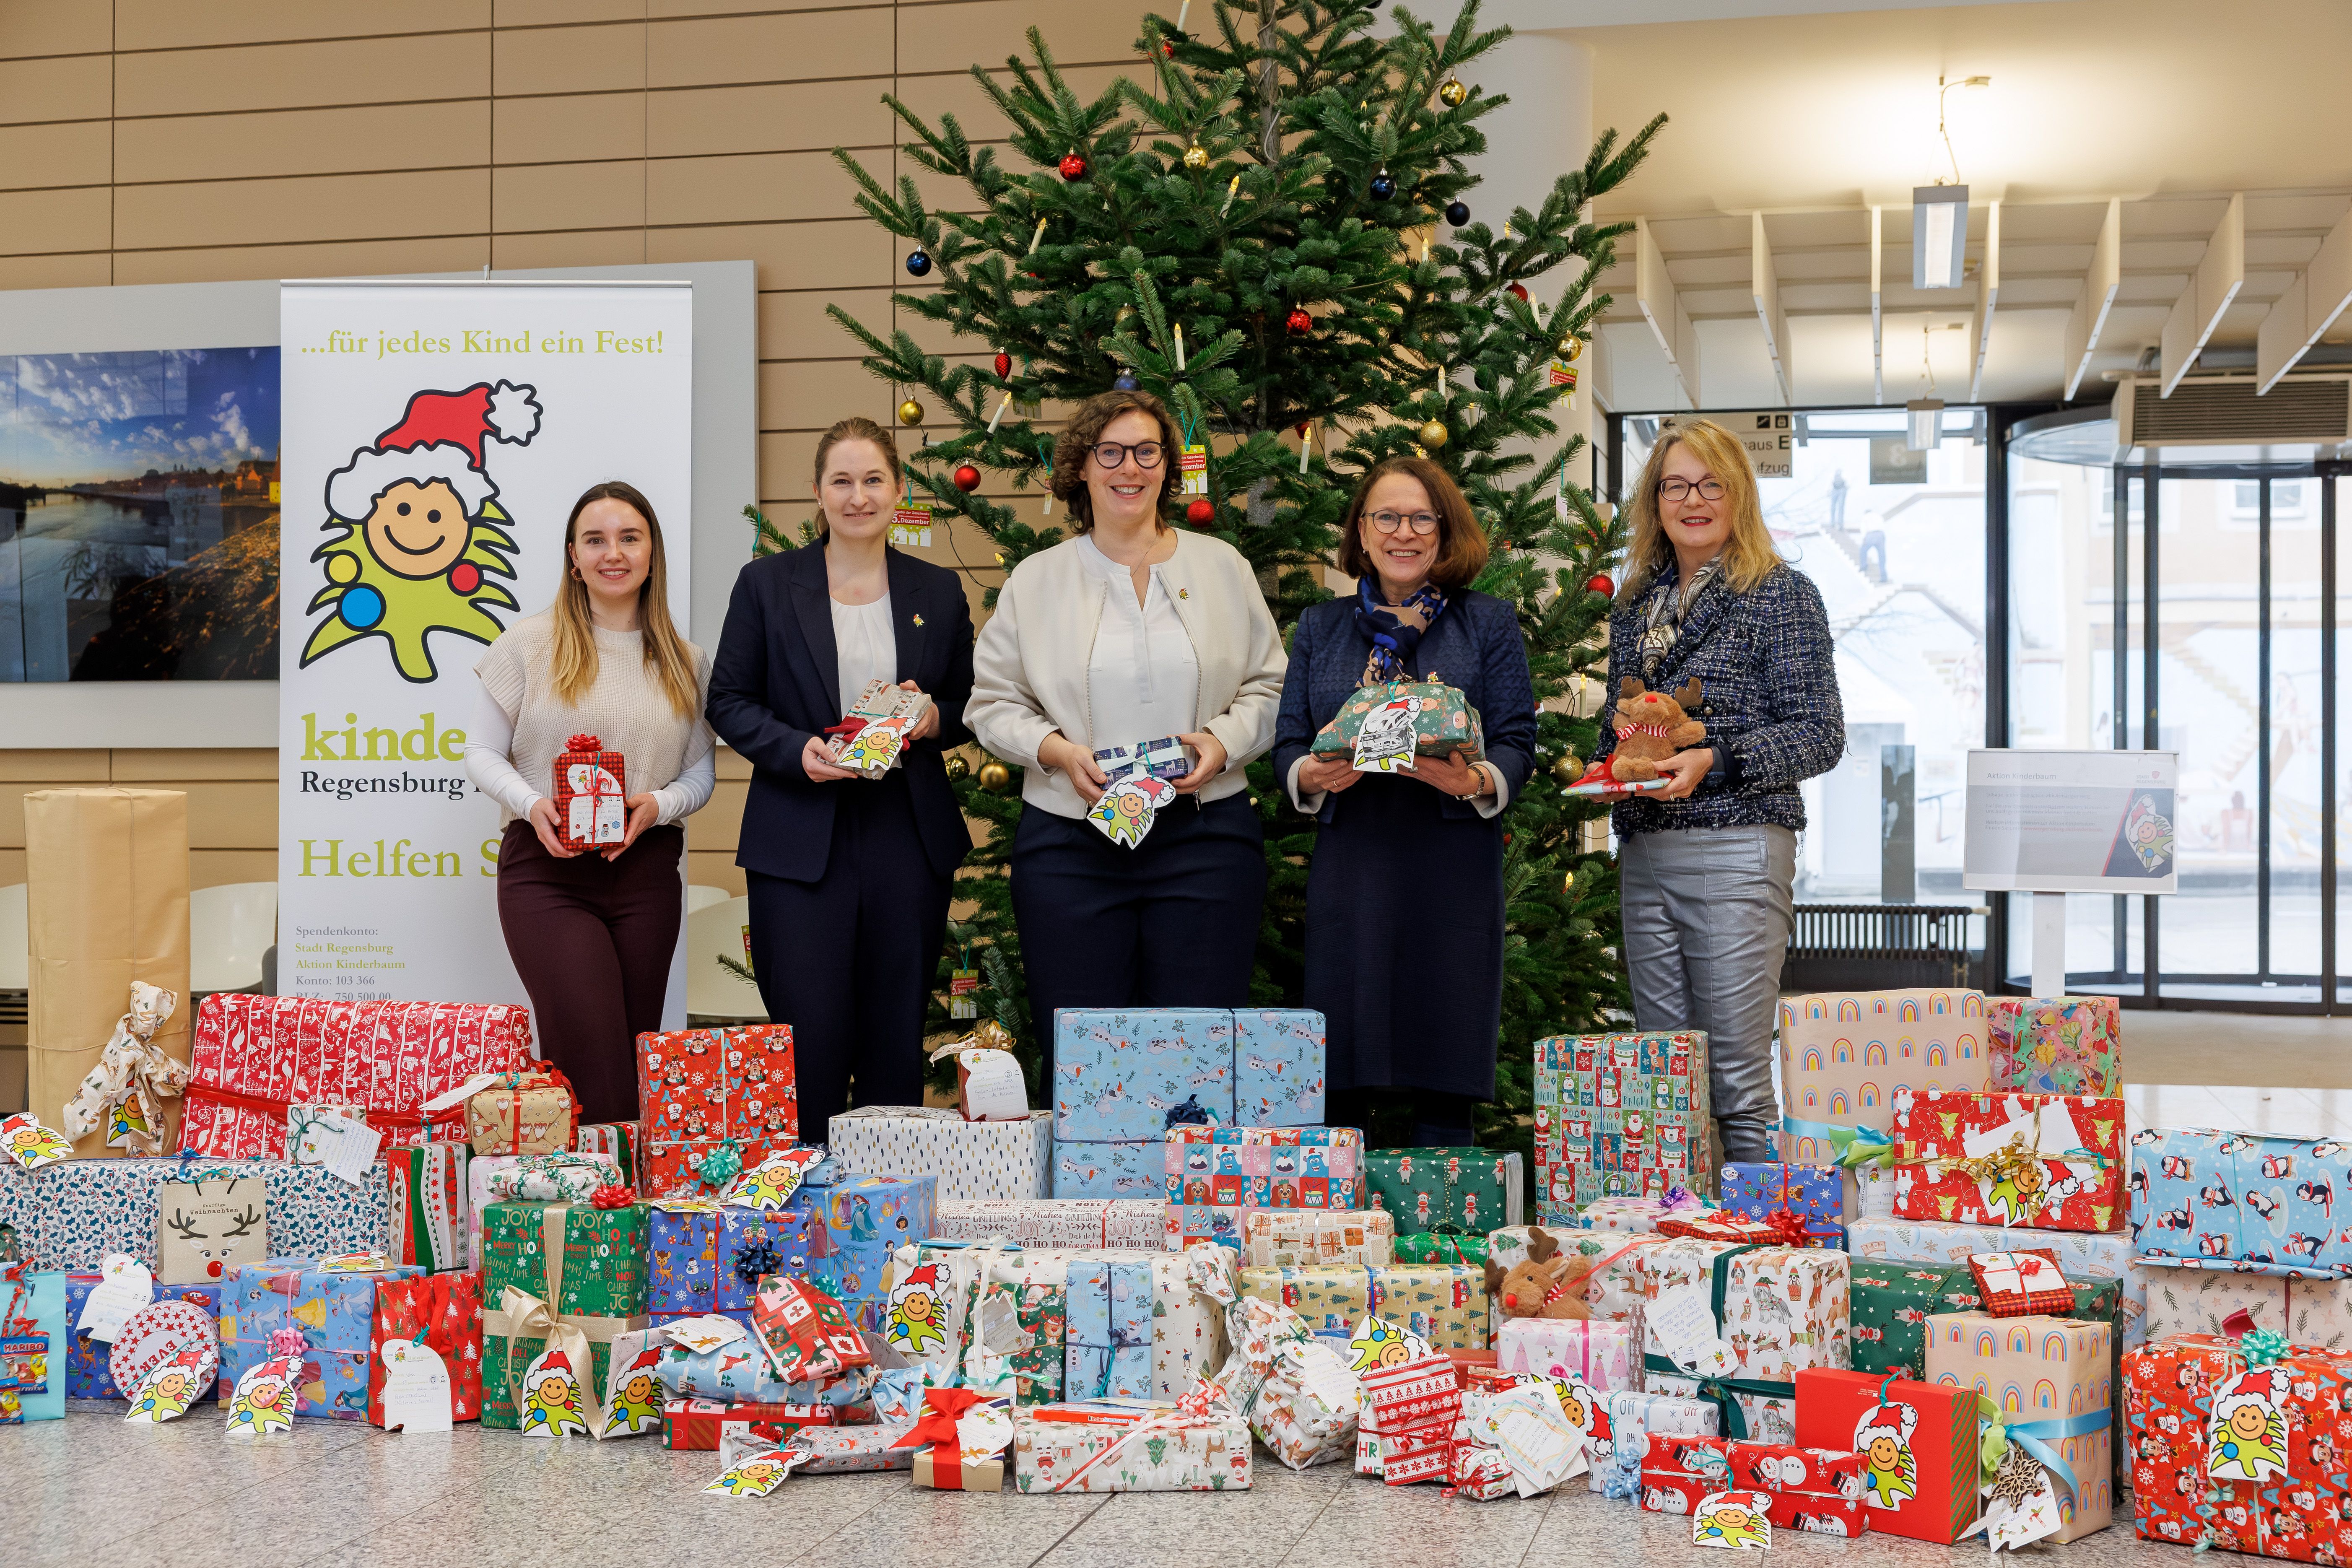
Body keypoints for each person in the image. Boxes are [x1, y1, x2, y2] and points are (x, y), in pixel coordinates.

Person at [966, 388, 1286, 1050]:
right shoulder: (1037, 579)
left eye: (1146, 452)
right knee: (1087, 1052)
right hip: (1069, 843)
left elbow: (1272, 686)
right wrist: (1053, 750)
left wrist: (1223, 745)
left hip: (1206, 839)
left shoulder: (1222, 567)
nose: (1128, 469)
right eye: (1108, 452)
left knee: (1199, 1050)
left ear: (1168, 466)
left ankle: (1191, 1161)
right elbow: (991, 702)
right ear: (1081, 467)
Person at [706, 417, 975, 1134]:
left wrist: (931, 719)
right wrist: (797, 751)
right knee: (808, 1039)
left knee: (894, 1037)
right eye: (842, 481)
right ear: (817, 494)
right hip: (799, 838)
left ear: (898, 490)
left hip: (906, 837)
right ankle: (808, 1213)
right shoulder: (766, 584)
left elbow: (969, 703)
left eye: (873, 480)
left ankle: (890, 1210)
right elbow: (728, 701)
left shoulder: (937, 590)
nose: (859, 497)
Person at [1595, 418, 1845, 1165]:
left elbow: (1819, 733)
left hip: (1736, 849)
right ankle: (1682, 1246)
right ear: (1655, 500)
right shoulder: (1635, 605)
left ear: (1738, 495)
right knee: (1664, 1080)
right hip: (1645, 852)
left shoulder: (1781, 594)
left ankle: (1759, 1261)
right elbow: (1623, 727)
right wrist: (1610, 767)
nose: (1693, 500)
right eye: (1676, 485)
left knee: (1735, 1081)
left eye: (1711, 484)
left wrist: (1719, 758)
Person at [1271, 457, 1535, 1146]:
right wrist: (1307, 776)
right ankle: (1335, 1229)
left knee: (1443, 1049)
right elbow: (1287, 742)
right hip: (1352, 858)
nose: (1404, 532)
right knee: (1342, 1063)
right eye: (1386, 516)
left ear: (1446, 533)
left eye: (1423, 518)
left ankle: (1445, 1233)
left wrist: (1476, 782)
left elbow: (1516, 740)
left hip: (1450, 863)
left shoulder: (1487, 624)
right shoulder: (1321, 626)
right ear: (1361, 532)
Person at [465, 480, 715, 1125]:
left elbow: (700, 775)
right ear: (572, 557)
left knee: (636, 1058)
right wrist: (530, 804)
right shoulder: (529, 645)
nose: (614, 553)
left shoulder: (686, 662)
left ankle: (627, 1205)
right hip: (547, 873)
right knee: (589, 1056)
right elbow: (481, 754)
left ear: (653, 554)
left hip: (645, 874)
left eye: (630, 538)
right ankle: (591, 1212)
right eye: (595, 540)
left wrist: (656, 806)